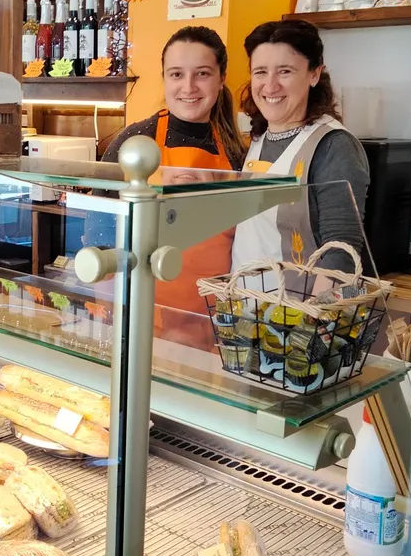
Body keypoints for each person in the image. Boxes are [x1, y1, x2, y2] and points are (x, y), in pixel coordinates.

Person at [101, 25, 242, 342]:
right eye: (176, 74)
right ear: (164, 77)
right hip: (144, 316)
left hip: (213, 320)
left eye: (202, 73)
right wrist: (111, 311)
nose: (188, 86)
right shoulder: (135, 140)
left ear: (221, 79)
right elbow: (98, 229)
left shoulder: (235, 150)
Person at [231, 20, 369, 283]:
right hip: (245, 310)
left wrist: (312, 319)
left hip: (295, 314)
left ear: (314, 74)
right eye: (260, 72)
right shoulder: (258, 137)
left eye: (285, 71)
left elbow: (341, 253)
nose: (270, 86)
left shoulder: (333, 145)